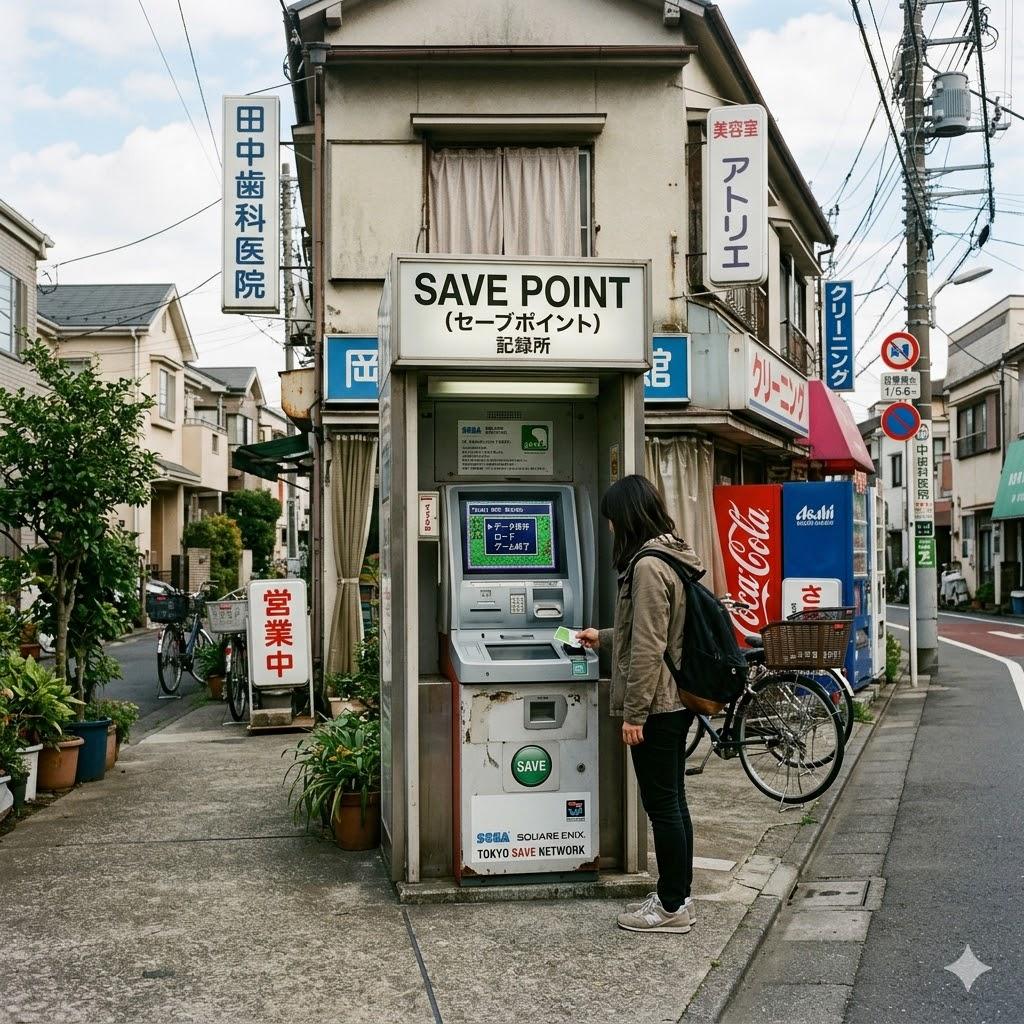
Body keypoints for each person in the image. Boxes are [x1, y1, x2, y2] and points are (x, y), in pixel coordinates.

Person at [577, 474, 701, 934]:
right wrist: (604, 637)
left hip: (658, 706)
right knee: (673, 802)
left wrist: (634, 715)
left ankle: (670, 907)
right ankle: (678, 896)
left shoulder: (648, 566)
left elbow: (650, 646)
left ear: (627, 518)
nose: (610, 528)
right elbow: (653, 632)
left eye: (612, 519)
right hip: (672, 700)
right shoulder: (673, 555)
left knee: (662, 806)